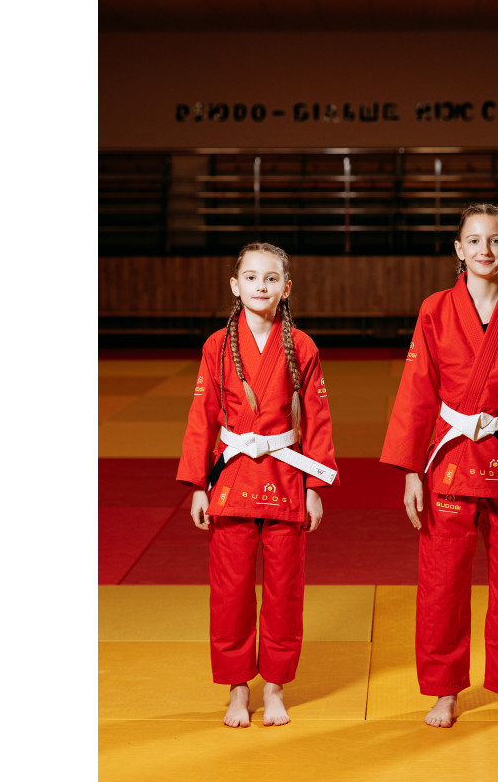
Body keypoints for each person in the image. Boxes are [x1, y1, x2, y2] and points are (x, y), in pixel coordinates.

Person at [380, 203, 498, 729]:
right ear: (458, 249)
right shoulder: (435, 309)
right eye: (474, 240)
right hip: (450, 460)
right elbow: (417, 391)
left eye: (495, 240)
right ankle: (444, 691)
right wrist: (410, 471)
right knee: (441, 584)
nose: (484, 250)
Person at [177, 242, 339, 728]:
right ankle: (236, 689)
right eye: (251, 277)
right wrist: (198, 484)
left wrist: (314, 487)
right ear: (235, 285)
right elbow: (202, 416)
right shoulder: (216, 346)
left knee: (285, 591)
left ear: (286, 288)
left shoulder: (303, 346)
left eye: (271, 279)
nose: (260, 286)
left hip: (286, 476)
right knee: (230, 592)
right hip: (232, 478)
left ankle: (274, 687)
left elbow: (317, 419)